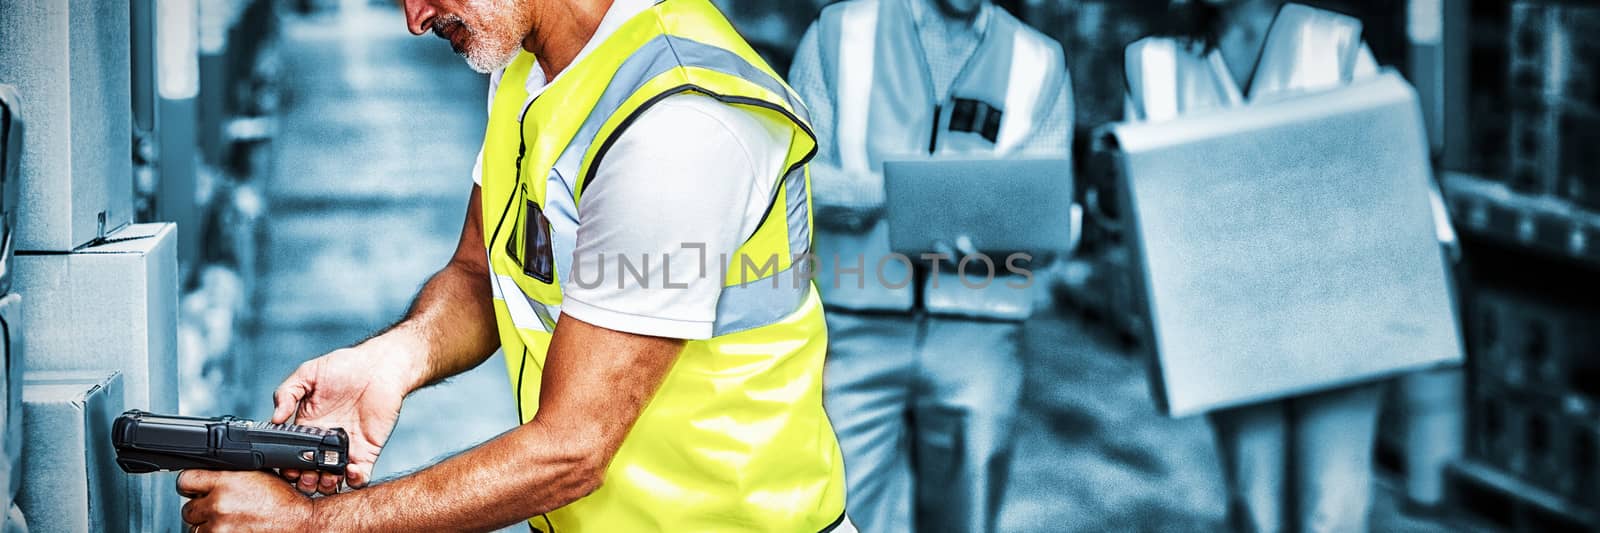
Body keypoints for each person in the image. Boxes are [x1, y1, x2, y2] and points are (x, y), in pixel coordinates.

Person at [174, 0, 852, 530]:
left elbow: (571, 447)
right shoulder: (530, 72)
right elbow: (479, 272)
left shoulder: (677, 122)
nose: (415, 20)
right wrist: (397, 357)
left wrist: (313, 524)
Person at [1123, 1, 1454, 531]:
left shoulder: (1334, 44)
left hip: (1341, 317)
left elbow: (1397, 170)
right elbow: (1145, 204)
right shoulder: (1156, 65)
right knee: (1256, 508)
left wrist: (1424, 305)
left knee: (1332, 511)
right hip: (1232, 325)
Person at [788, 0, 1073, 530]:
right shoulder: (838, 33)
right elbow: (790, 174)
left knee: (967, 516)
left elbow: (1047, 215)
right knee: (830, 514)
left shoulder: (1040, 60)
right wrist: (907, 195)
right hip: (853, 327)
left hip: (980, 337)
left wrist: (992, 234)